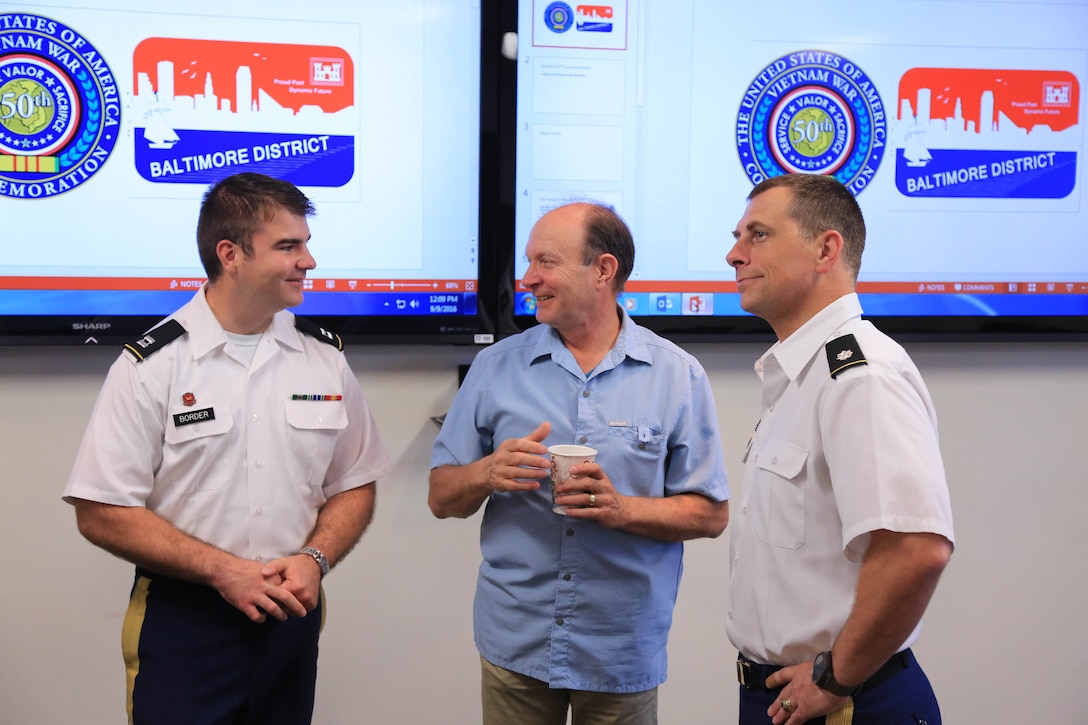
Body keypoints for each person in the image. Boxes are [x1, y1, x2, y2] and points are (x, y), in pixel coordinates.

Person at [63, 172, 392, 725]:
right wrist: (222, 571)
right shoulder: (153, 366)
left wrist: (316, 559)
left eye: (306, 244)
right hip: (185, 621)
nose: (308, 261)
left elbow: (354, 482)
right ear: (230, 254)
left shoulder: (324, 357)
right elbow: (101, 510)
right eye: (289, 246)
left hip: (292, 612)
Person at [429, 201, 731, 725]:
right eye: (528, 263)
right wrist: (485, 473)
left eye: (546, 262)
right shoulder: (495, 367)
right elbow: (441, 497)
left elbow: (710, 514)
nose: (527, 279)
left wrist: (621, 509)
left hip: (620, 649)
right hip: (515, 645)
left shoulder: (678, 376)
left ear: (603, 270)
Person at [725, 174, 955, 725]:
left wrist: (835, 677)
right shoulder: (799, 376)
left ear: (826, 248)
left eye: (758, 235)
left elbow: (915, 549)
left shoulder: (860, 376)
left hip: (846, 703)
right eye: (738, 236)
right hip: (785, 697)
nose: (734, 255)